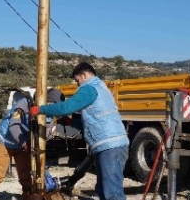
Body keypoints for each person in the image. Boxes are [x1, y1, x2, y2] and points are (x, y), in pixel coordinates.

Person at [30, 62, 129, 200]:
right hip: (110, 144)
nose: (77, 84)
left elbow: (66, 108)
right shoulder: (101, 87)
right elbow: (94, 117)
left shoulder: (89, 88)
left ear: (84, 75)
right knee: (102, 189)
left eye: (77, 81)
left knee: (112, 193)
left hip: (110, 145)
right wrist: (73, 122)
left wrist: (41, 109)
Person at [0, 88, 65, 200]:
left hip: (23, 146)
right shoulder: (23, 104)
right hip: (5, 142)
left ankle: (28, 197)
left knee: (26, 177)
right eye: (50, 104)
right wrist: (24, 143)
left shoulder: (50, 113)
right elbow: (14, 127)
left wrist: (49, 134)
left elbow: (45, 134)